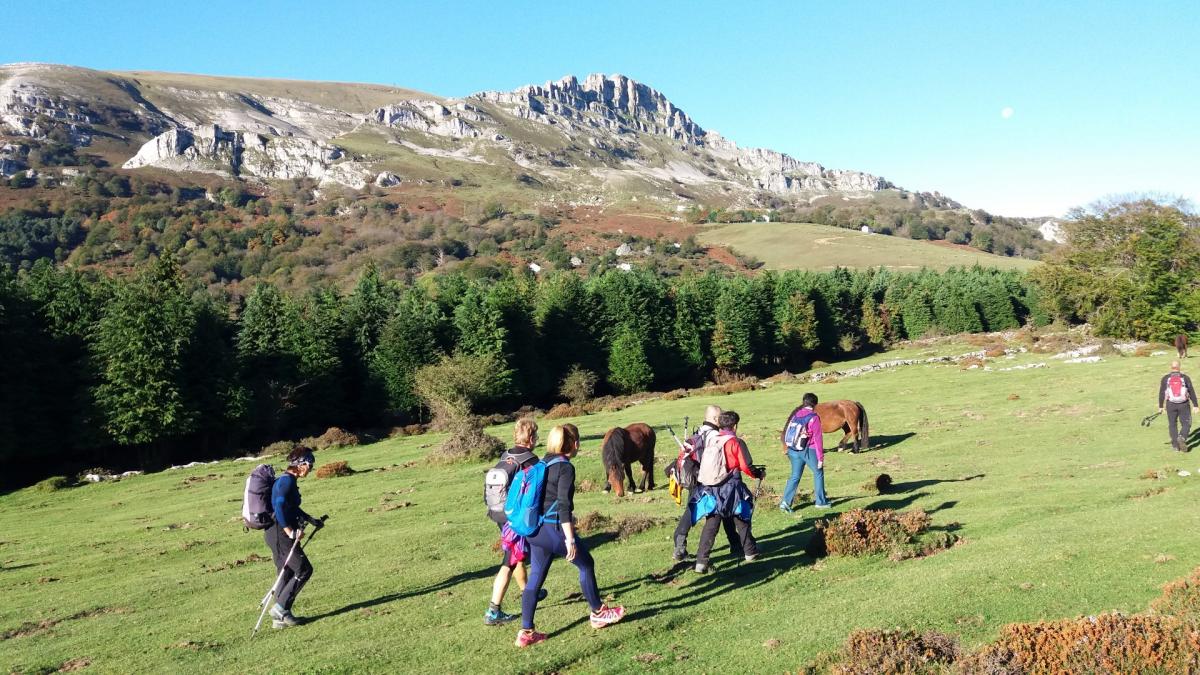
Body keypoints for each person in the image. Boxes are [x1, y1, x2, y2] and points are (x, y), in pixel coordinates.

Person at [516, 425, 625, 647]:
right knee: (586, 564)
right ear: (573, 444)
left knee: (536, 576)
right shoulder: (565, 467)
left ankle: (526, 632)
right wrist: (570, 538)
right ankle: (598, 613)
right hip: (554, 529)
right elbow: (564, 505)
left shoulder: (540, 463)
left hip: (535, 531)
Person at [484, 418, 548, 625]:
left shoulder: (506, 455)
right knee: (509, 561)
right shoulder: (530, 460)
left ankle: (530, 592)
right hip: (514, 517)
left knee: (517, 556)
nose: (537, 439)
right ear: (530, 438)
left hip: (498, 514)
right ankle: (493, 611)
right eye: (536, 436)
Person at [692, 411, 762, 573]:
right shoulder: (735, 442)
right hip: (731, 486)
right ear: (735, 425)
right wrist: (758, 474)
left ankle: (701, 561)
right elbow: (746, 466)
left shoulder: (711, 439)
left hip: (710, 487)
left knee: (711, 524)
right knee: (741, 517)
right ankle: (750, 552)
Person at [264, 445, 322, 629]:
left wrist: (310, 519)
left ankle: (279, 619)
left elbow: (291, 507)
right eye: (310, 465)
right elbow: (280, 506)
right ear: (301, 464)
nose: (311, 469)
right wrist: (289, 530)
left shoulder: (288, 481)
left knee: (287, 572)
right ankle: (280, 608)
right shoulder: (286, 481)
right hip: (279, 533)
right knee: (304, 569)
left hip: (274, 533)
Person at [672, 405, 737, 562]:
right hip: (708, 479)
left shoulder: (698, 431)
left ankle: (680, 545)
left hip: (694, 478)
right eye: (720, 417)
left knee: (694, 510)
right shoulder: (715, 435)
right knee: (720, 509)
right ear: (715, 419)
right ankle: (736, 545)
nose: (722, 420)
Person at [779, 392, 831, 512]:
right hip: (808, 450)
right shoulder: (814, 417)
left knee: (795, 476)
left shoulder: (795, 415)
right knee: (818, 472)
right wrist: (820, 458)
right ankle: (821, 502)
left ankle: (785, 503)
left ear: (804, 402)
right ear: (815, 404)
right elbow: (818, 439)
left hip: (793, 450)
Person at [1158, 361, 1199, 452]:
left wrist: (1161, 406)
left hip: (1170, 404)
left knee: (1172, 424)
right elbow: (1191, 391)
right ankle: (1182, 437)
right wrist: (1195, 405)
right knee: (1186, 423)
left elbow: (1161, 393)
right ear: (1179, 367)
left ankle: (1175, 446)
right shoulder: (1185, 378)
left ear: (1171, 367)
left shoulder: (1165, 378)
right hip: (1184, 404)